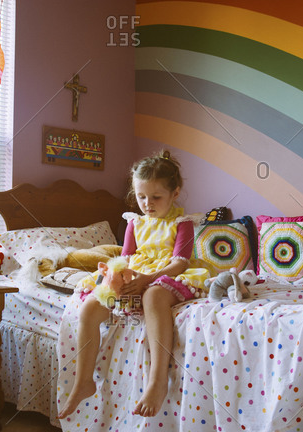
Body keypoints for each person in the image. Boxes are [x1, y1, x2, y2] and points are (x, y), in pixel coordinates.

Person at [57, 150, 210, 419]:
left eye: (156, 197)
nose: (147, 204)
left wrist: (148, 279)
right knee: (89, 308)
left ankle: (157, 380)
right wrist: (120, 279)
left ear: (175, 193)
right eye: (141, 197)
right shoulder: (134, 223)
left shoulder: (181, 223)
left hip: (165, 272)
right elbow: (125, 259)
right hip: (136, 272)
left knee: (153, 297)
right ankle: (83, 380)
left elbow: (180, 262)